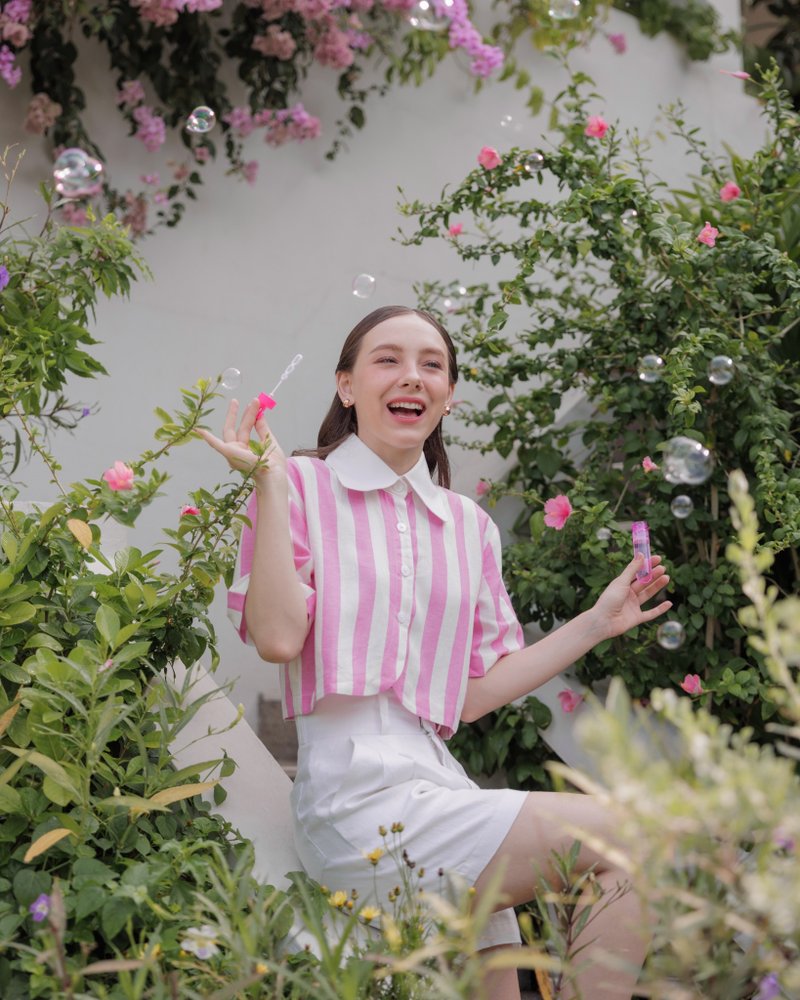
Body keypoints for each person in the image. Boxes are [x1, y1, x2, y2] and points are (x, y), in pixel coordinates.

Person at [198, 305, 672, 1000]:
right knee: (629, 841)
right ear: (347, 386)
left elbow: (472, 693)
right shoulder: (298, 484)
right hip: (356, 800)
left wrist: (596, 622)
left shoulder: (468, 527)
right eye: (387, 359)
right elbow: (275, 638)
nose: (411, 375)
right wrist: (267, 482)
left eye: (432, 364)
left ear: (448, 394)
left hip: (443, 790)